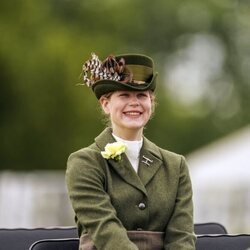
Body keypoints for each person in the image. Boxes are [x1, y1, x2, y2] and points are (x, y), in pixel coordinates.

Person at [66, 52, 196, 250]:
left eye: (142, 95)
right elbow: (105, 230)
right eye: (124, 95)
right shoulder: (84, 162)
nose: (134, 102)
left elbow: (181, 238)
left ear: (151, 103)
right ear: (106, 104)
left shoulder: (175, 166)